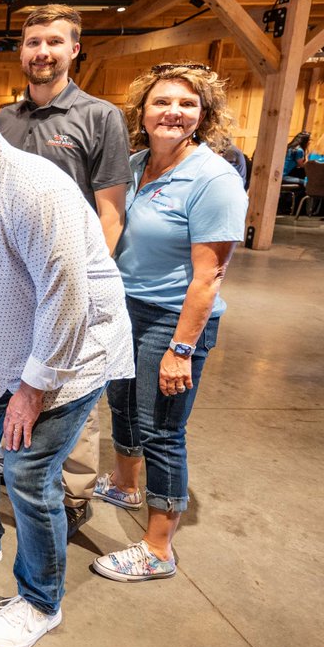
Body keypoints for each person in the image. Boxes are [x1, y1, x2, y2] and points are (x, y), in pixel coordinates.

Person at [0, 72, 132, 647]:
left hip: (69, 356)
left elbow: (66, 296)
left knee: (28, 473)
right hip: (1, 346)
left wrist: (31, 390)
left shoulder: (35, 187)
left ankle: (41, 600)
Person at [92, 63, 246, 583]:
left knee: (162, 427)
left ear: (203, 116)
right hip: (125, 307)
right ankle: (125, 483)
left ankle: (158, 548)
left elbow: (209, 277)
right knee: (123, 405)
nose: (173, 112)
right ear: (142, 110)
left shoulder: (214, 178)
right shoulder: (134, 165)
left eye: (186, 104)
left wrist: (181, 348)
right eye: (162, 102)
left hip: (172, 318)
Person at [0, 4, 131, 539]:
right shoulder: (4, 120)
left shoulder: (100, 117)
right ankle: (19, 468)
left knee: (72, 386)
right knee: (16, 377)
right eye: (32, 43)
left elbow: (111, 210)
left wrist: (87, 285)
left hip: (70, 282)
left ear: (75, 49)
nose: (42, 52)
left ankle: (72, 492)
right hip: (12, 282)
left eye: (54, 42)